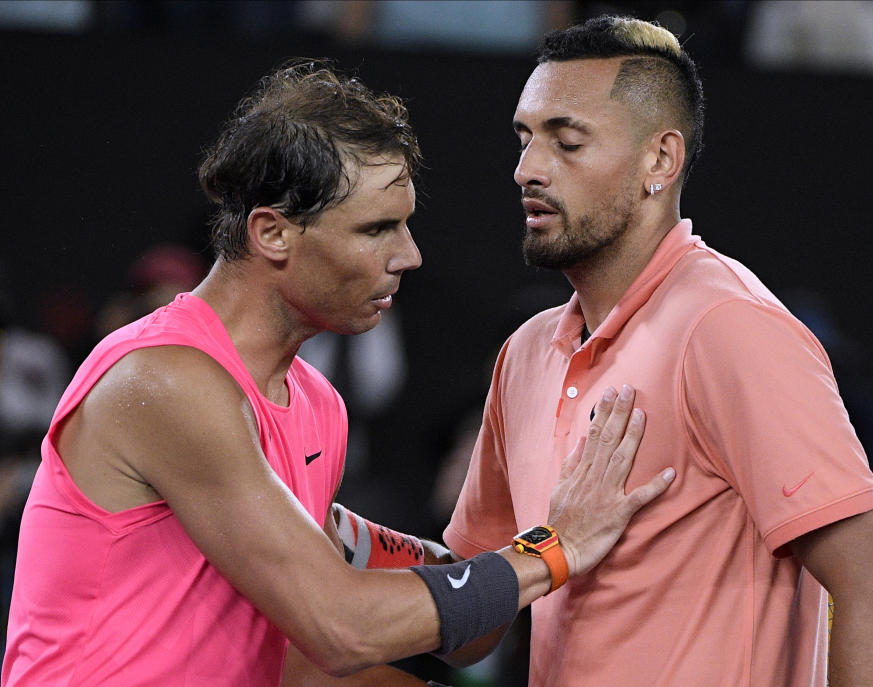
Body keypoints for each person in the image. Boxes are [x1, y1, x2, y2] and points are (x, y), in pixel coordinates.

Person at [0, 60, 676, 686]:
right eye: (376, 228)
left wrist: (538, 542)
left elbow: (443, 630)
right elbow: (342, 625)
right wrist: (555, 549)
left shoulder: (316, 404)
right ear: (272, 233)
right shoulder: (165, 380)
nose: (408, 255)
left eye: (406, 225)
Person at [442, 16, 873, 687]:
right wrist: (348, 549)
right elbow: (474, 625)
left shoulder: (730, 328)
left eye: (567, 142)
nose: (528, 169)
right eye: (524, 139)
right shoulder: (524, 354)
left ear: (660, 161)